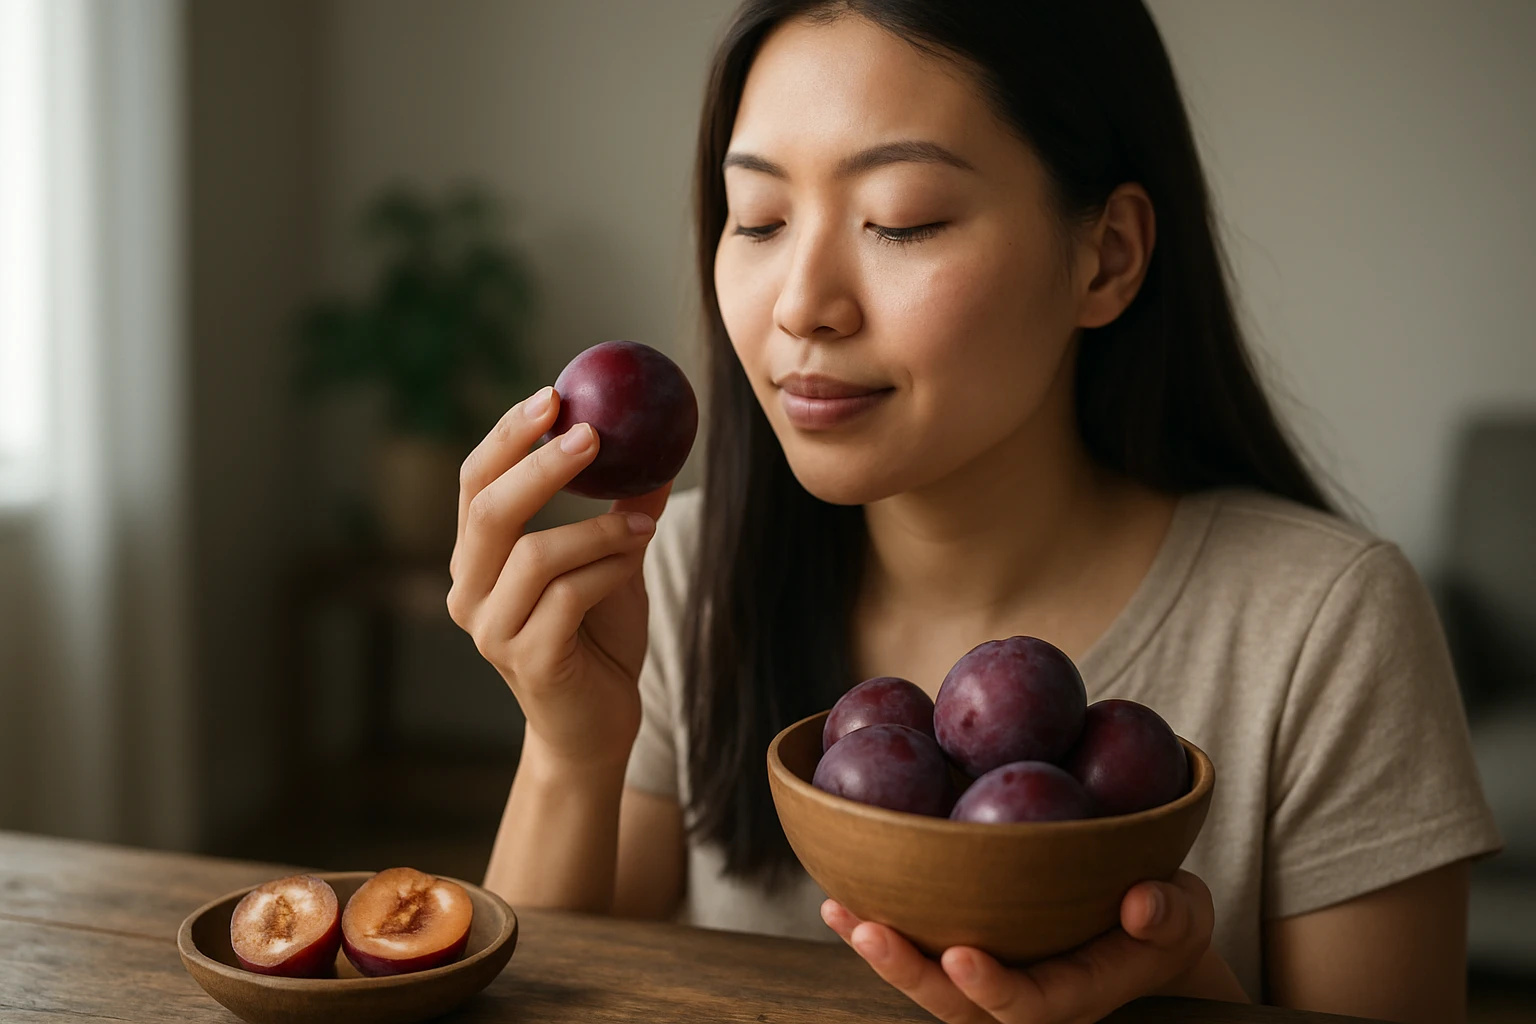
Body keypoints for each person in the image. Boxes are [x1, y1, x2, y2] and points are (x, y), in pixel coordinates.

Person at [447, 2, 1503, 1021]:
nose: (801, 303)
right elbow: (548, 987)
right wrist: (573, 743)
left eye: (901, 220)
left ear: (1109, 256)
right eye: (758, 218)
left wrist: (1177, 995)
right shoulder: (679, 570)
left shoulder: (1322, 627)